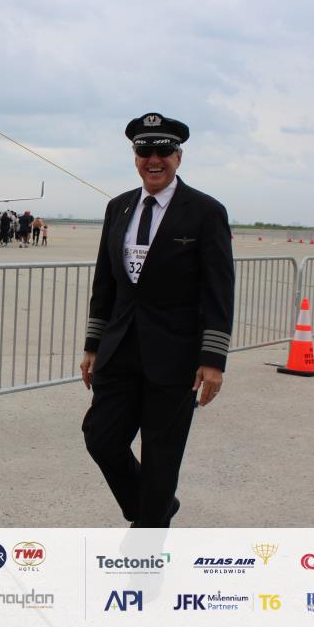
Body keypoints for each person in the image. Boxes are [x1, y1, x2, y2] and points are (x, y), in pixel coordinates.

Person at [79, 112, 234, 528]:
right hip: (119, 350)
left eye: (163, 150)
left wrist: (213, 359)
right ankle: (156, 506)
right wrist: (93, 345)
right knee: (101, 438)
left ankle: (149, 538)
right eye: (144, 150)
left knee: (162, 456)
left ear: (178, 157)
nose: (153, 159)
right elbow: (105, 283)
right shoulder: (119, 207)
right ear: (135, 157)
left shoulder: (205, 211)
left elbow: (218, 290)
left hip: (175, 356)